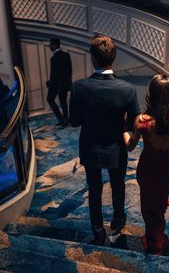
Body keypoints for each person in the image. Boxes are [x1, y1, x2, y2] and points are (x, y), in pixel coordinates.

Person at [69, 35, 140, 245]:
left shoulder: (79, 87)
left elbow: (73, 121)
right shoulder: (127, 89)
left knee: (94, 189)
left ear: (92, 58)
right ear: (114, 57)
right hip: (116, 147)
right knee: (118, 185)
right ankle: (118, 221)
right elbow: (132, 124)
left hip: (90, 145)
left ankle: (98, 231)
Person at [123, 74, 169, 254]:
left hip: (147, 169)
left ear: (151, 95)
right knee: (159, 204)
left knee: (148, 207)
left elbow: (130, 146)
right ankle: (158, 235)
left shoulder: (142, 120)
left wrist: (123, 129)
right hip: (167, 170)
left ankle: (155, 243)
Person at [46, 38, 72, 126]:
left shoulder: (54, 58)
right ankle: (66, 120)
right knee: (63, 102)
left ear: (55, 45)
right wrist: (68, 84)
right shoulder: (66, 55)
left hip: (56, 85)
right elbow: (70, 71)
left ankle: (61, 119)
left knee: (49, 99)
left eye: (50, 44)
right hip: (64, 84)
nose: (49, 46)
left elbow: (54, 74)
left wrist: (49, 83)